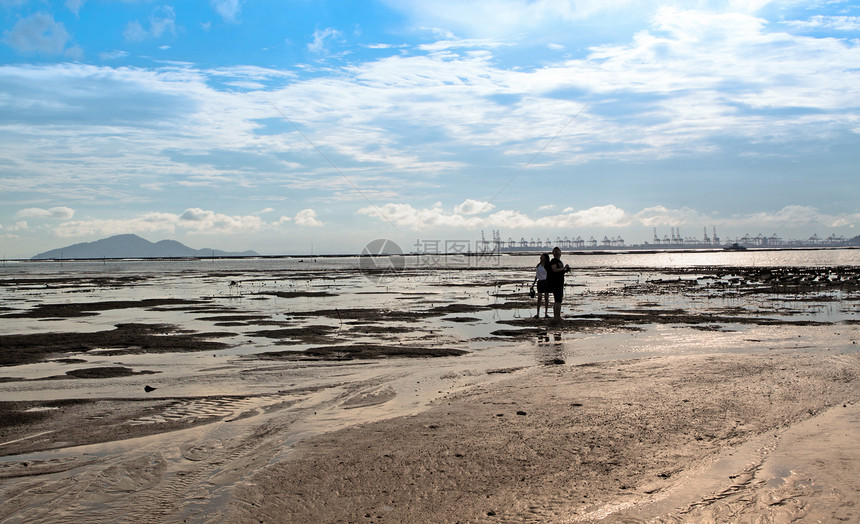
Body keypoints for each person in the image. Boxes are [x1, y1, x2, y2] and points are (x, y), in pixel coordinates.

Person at [546, 246, 571, 320]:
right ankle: (557, 316)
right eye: (555, 251)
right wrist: (563, 268)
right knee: (558, 300)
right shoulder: (554, 261)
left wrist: (565, 270)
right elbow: (554, 270)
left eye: (558, 251)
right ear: (553, 253)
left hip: (560, 282)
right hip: (555, 282)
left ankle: (556, 316)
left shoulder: (560, 262)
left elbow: (559, 271)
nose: (557, 252)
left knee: (558, 300)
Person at [531, 253, 551, 318]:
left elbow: (549, 274)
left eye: (542, 257)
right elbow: (536, 275)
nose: (540, 257)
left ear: (545, 258)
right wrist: (533, 284)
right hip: (540, 282)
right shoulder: (539, 265)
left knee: (546, 298)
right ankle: (537, 313)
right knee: (539, 298)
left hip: (546, 282)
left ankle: (546, 313)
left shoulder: (548, 265)